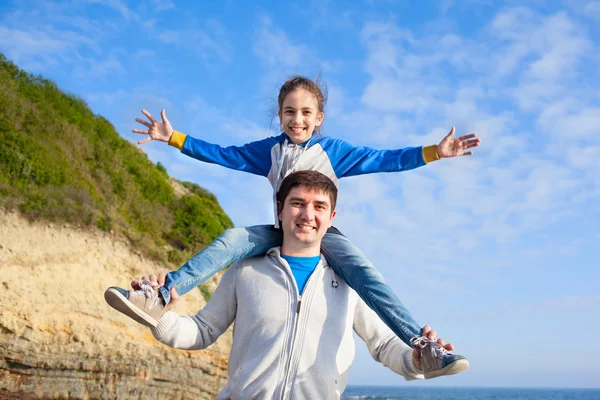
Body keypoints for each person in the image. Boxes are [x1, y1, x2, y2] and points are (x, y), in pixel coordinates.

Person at [105, 76, 479, 376]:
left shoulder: (333, 151)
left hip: (325, 239)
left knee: (367, 275)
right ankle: (162, 294)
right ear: (280, 116)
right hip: (277, 232)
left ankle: (422, 347)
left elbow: (384, 159)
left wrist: (434, 152)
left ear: (318, 118)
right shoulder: (270, 151)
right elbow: (226, 155)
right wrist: (174, 138)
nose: (296, 120)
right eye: (289, 112)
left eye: (305, 113)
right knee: (231, 239)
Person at [111, 171, 468, 399]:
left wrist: (417, 361)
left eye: (318, 206)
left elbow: (385, 345)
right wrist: (162, 319)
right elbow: (202, 331)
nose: (307, 214)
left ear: (332, 217)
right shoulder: (245, 270)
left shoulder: (349, 281)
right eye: (297, 203)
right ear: (280, 209)